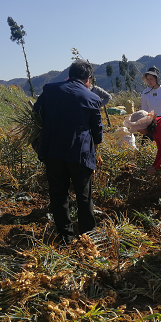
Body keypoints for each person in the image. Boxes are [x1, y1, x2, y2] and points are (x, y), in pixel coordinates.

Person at [34, 60, 103, 240]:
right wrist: (94, 150)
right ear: (88, 79)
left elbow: (36, 113)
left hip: (52, 151)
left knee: (58, 194)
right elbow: (97, 131)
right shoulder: (92, 98)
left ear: (70, 74)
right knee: (84, 196)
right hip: (79, 154)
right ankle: (88, 235)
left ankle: (65, 235)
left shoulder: (50, 90)